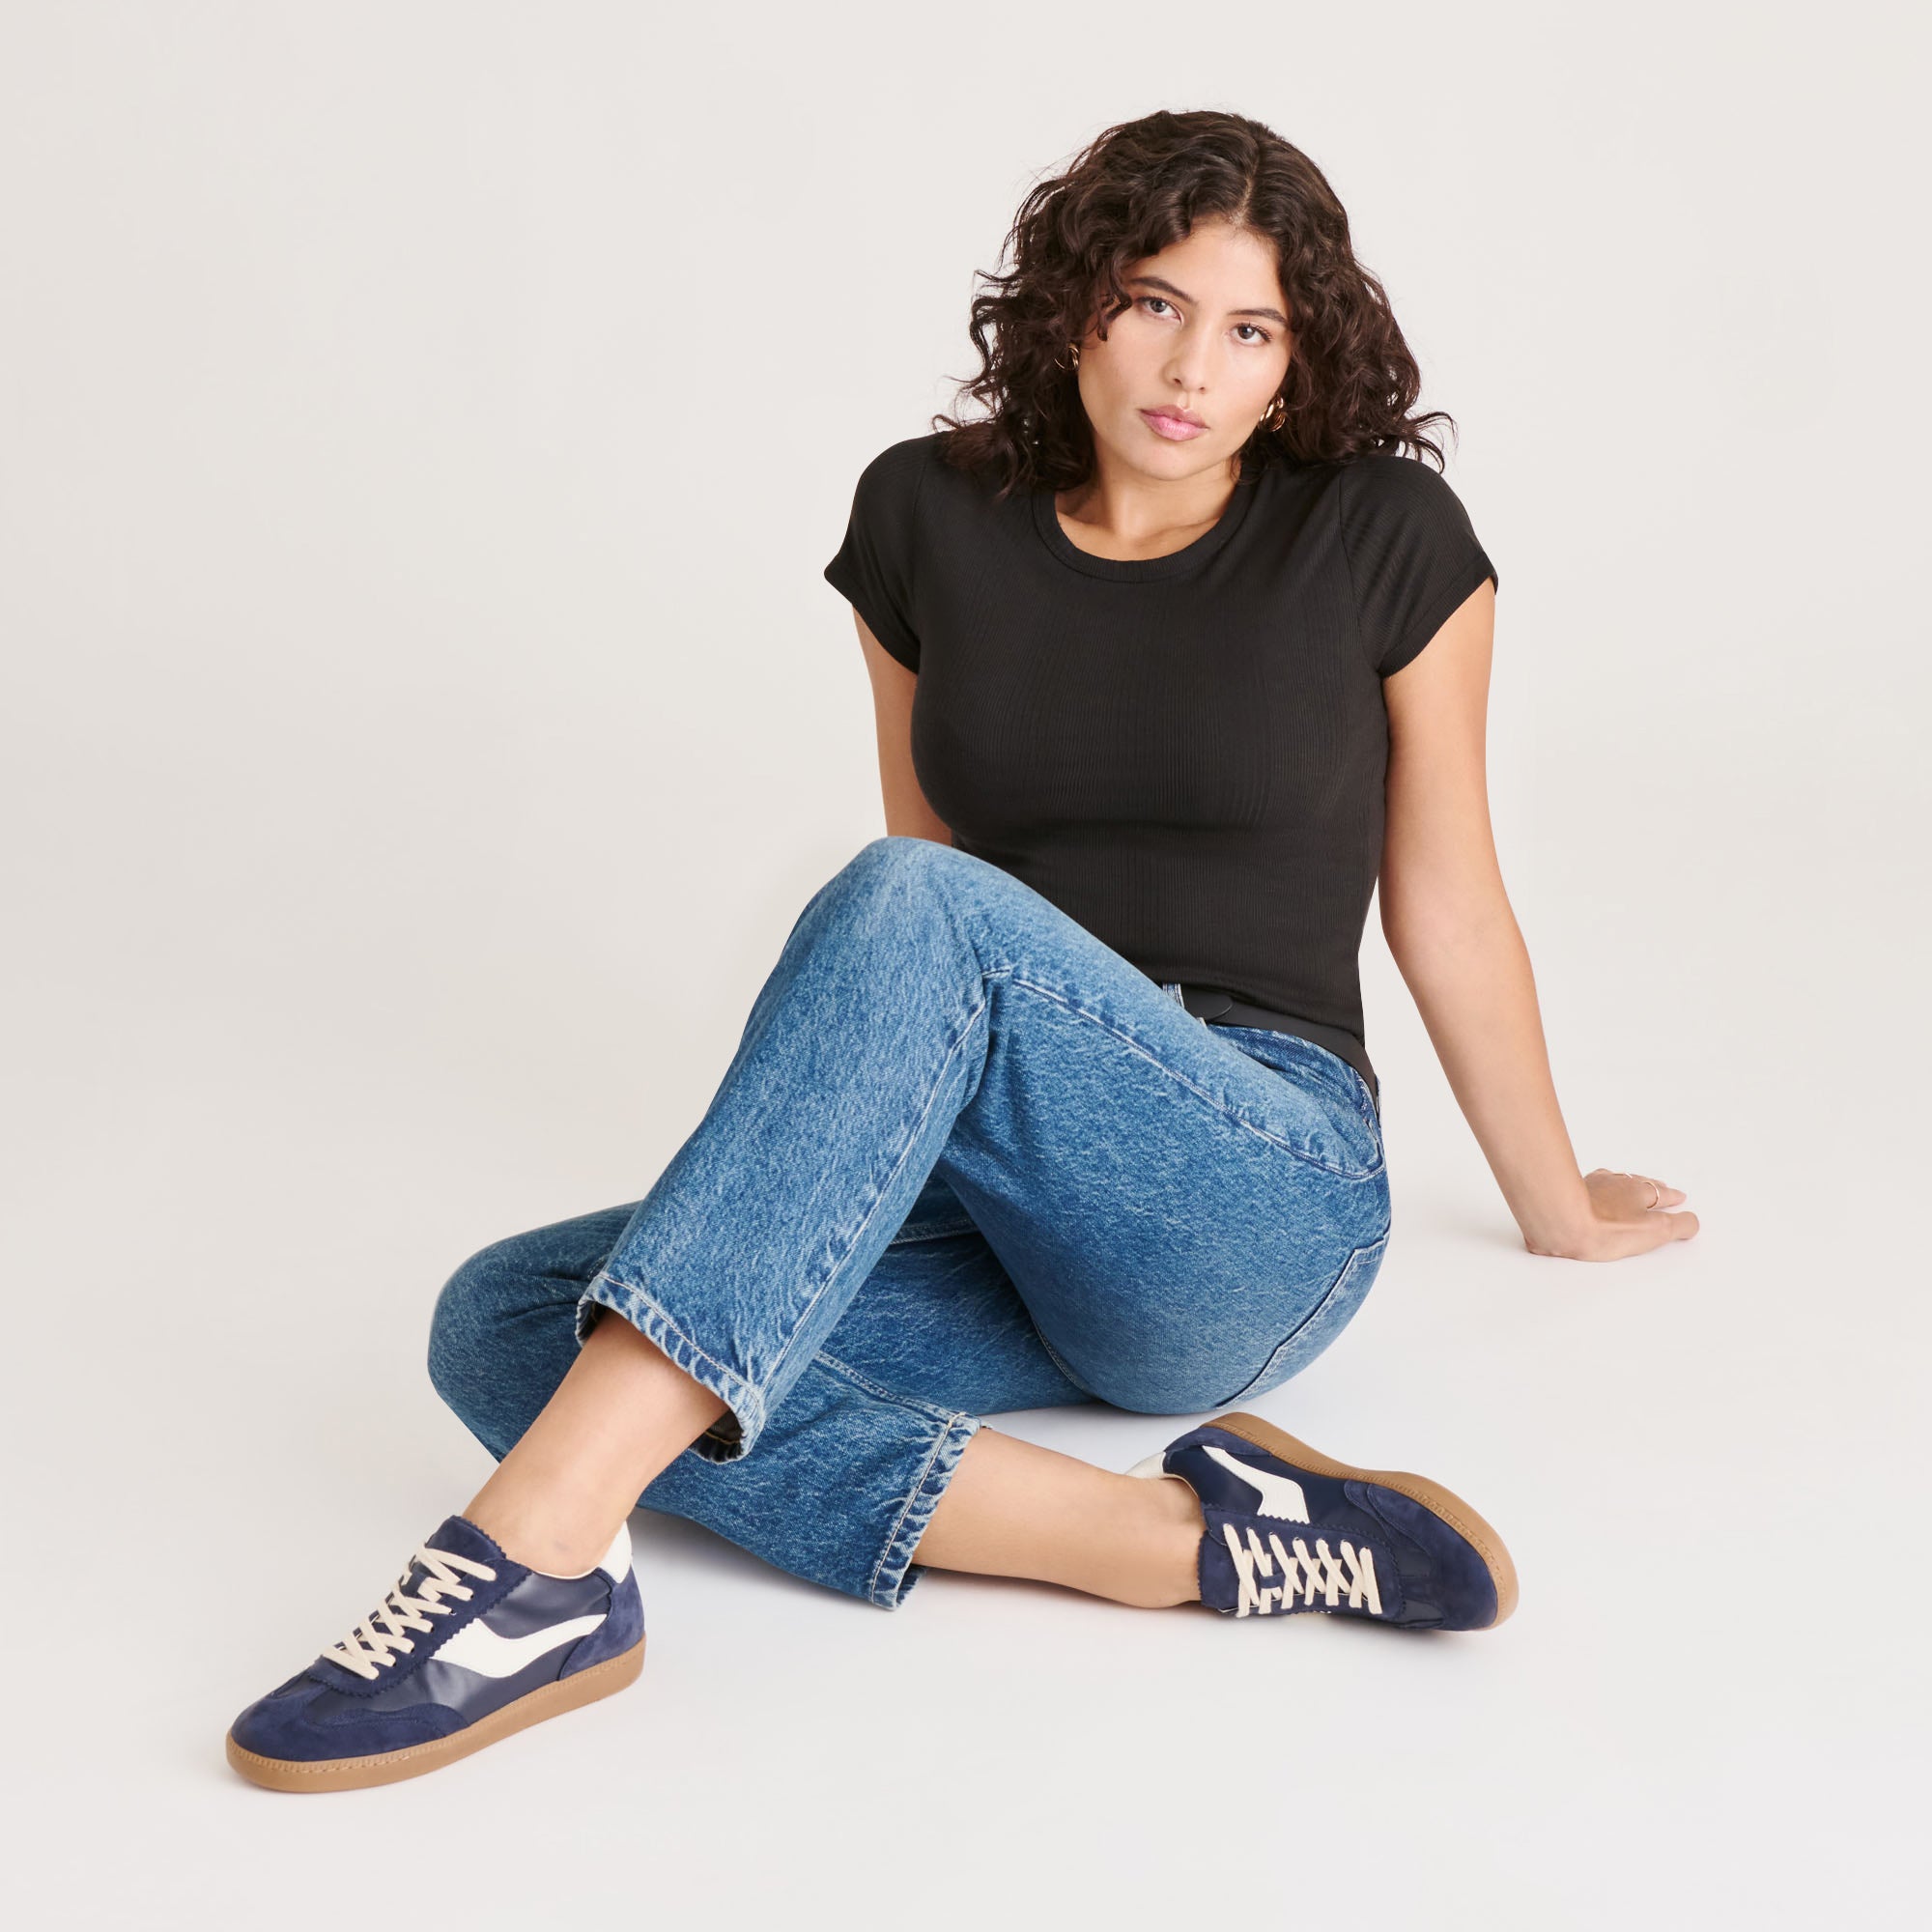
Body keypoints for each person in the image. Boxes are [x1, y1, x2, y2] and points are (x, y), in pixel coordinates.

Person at [225, 107, 1698, 1795]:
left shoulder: (1379, 536)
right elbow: (929, 904)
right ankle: (1174, 1543)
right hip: (1000, 1192)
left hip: (1249, 1195)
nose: (1192, 368)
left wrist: (1557, 1205)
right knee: (506, 1320)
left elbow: (1448, 903)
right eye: (1154, 303)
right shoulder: (926, 518)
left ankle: (533, 1565)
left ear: (1296, 364)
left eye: (1251, 331)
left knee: (911, 909)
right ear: (1075, 305)